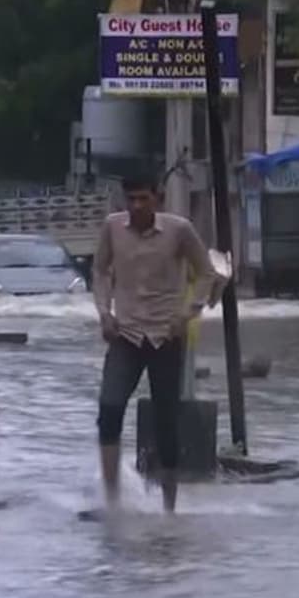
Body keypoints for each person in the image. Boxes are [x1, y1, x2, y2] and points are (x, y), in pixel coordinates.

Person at [91, 173, 221, 514]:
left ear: (158, 199)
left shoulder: (179, 230)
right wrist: (104, 312)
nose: (136, 206)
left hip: (166, 335)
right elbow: (101, 271)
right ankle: (112, 498)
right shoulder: (112, 228)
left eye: (143, 199)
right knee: (109, 408)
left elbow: (206, 272)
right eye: (131, 199)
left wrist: (188, 312)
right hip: (127, 334)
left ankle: (169, 506)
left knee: (166, 420)